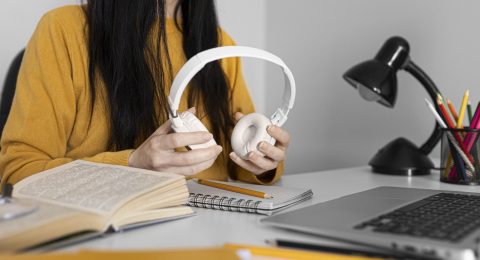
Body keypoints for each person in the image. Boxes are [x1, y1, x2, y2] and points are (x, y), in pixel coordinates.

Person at [0, 0, 290, 185]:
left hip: (207, 235)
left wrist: (262, 162)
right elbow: (18, 172)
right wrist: (131, 165)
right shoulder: (63, 30)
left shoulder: (220, 45)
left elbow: (238, 166)